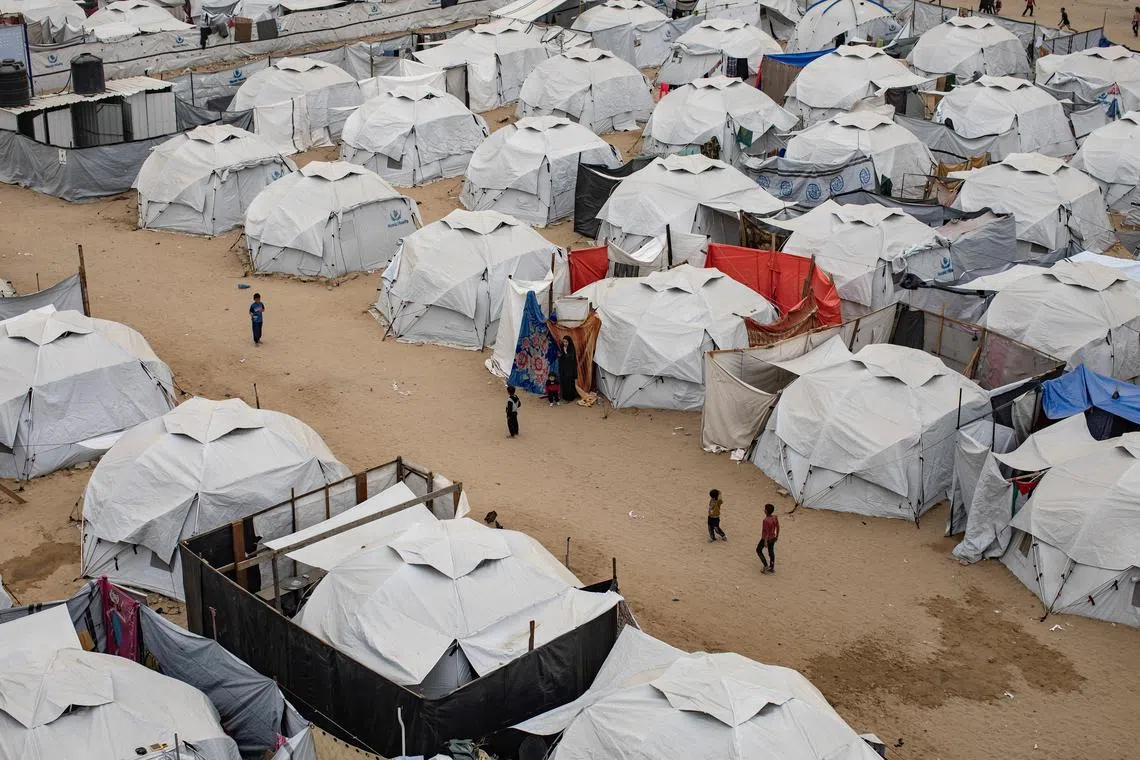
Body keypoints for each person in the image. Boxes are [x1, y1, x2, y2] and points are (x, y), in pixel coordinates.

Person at [756, 503, 780, 573]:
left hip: (766, 539)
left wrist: (765, 542)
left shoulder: (765, 520)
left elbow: (766, 532)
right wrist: (777, 536)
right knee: (771, 551)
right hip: (773, 537)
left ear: (766, 511)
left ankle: (766, 566)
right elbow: (778, 527)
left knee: (758, 550)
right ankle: (772, 567)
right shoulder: (775, 517)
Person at [558, 336, 579, 403]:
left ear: (569, 342)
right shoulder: (562, 347)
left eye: (566, 342)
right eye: (564, 342)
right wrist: (560, 355)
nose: (565, 343)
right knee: (565, 383)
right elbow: (562, 357)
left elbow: (571, 359)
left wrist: (565, 352)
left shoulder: (572, 349)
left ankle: (570, 398)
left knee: (569, 384)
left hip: (570, 369)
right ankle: (565, 397)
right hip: (564, 368)